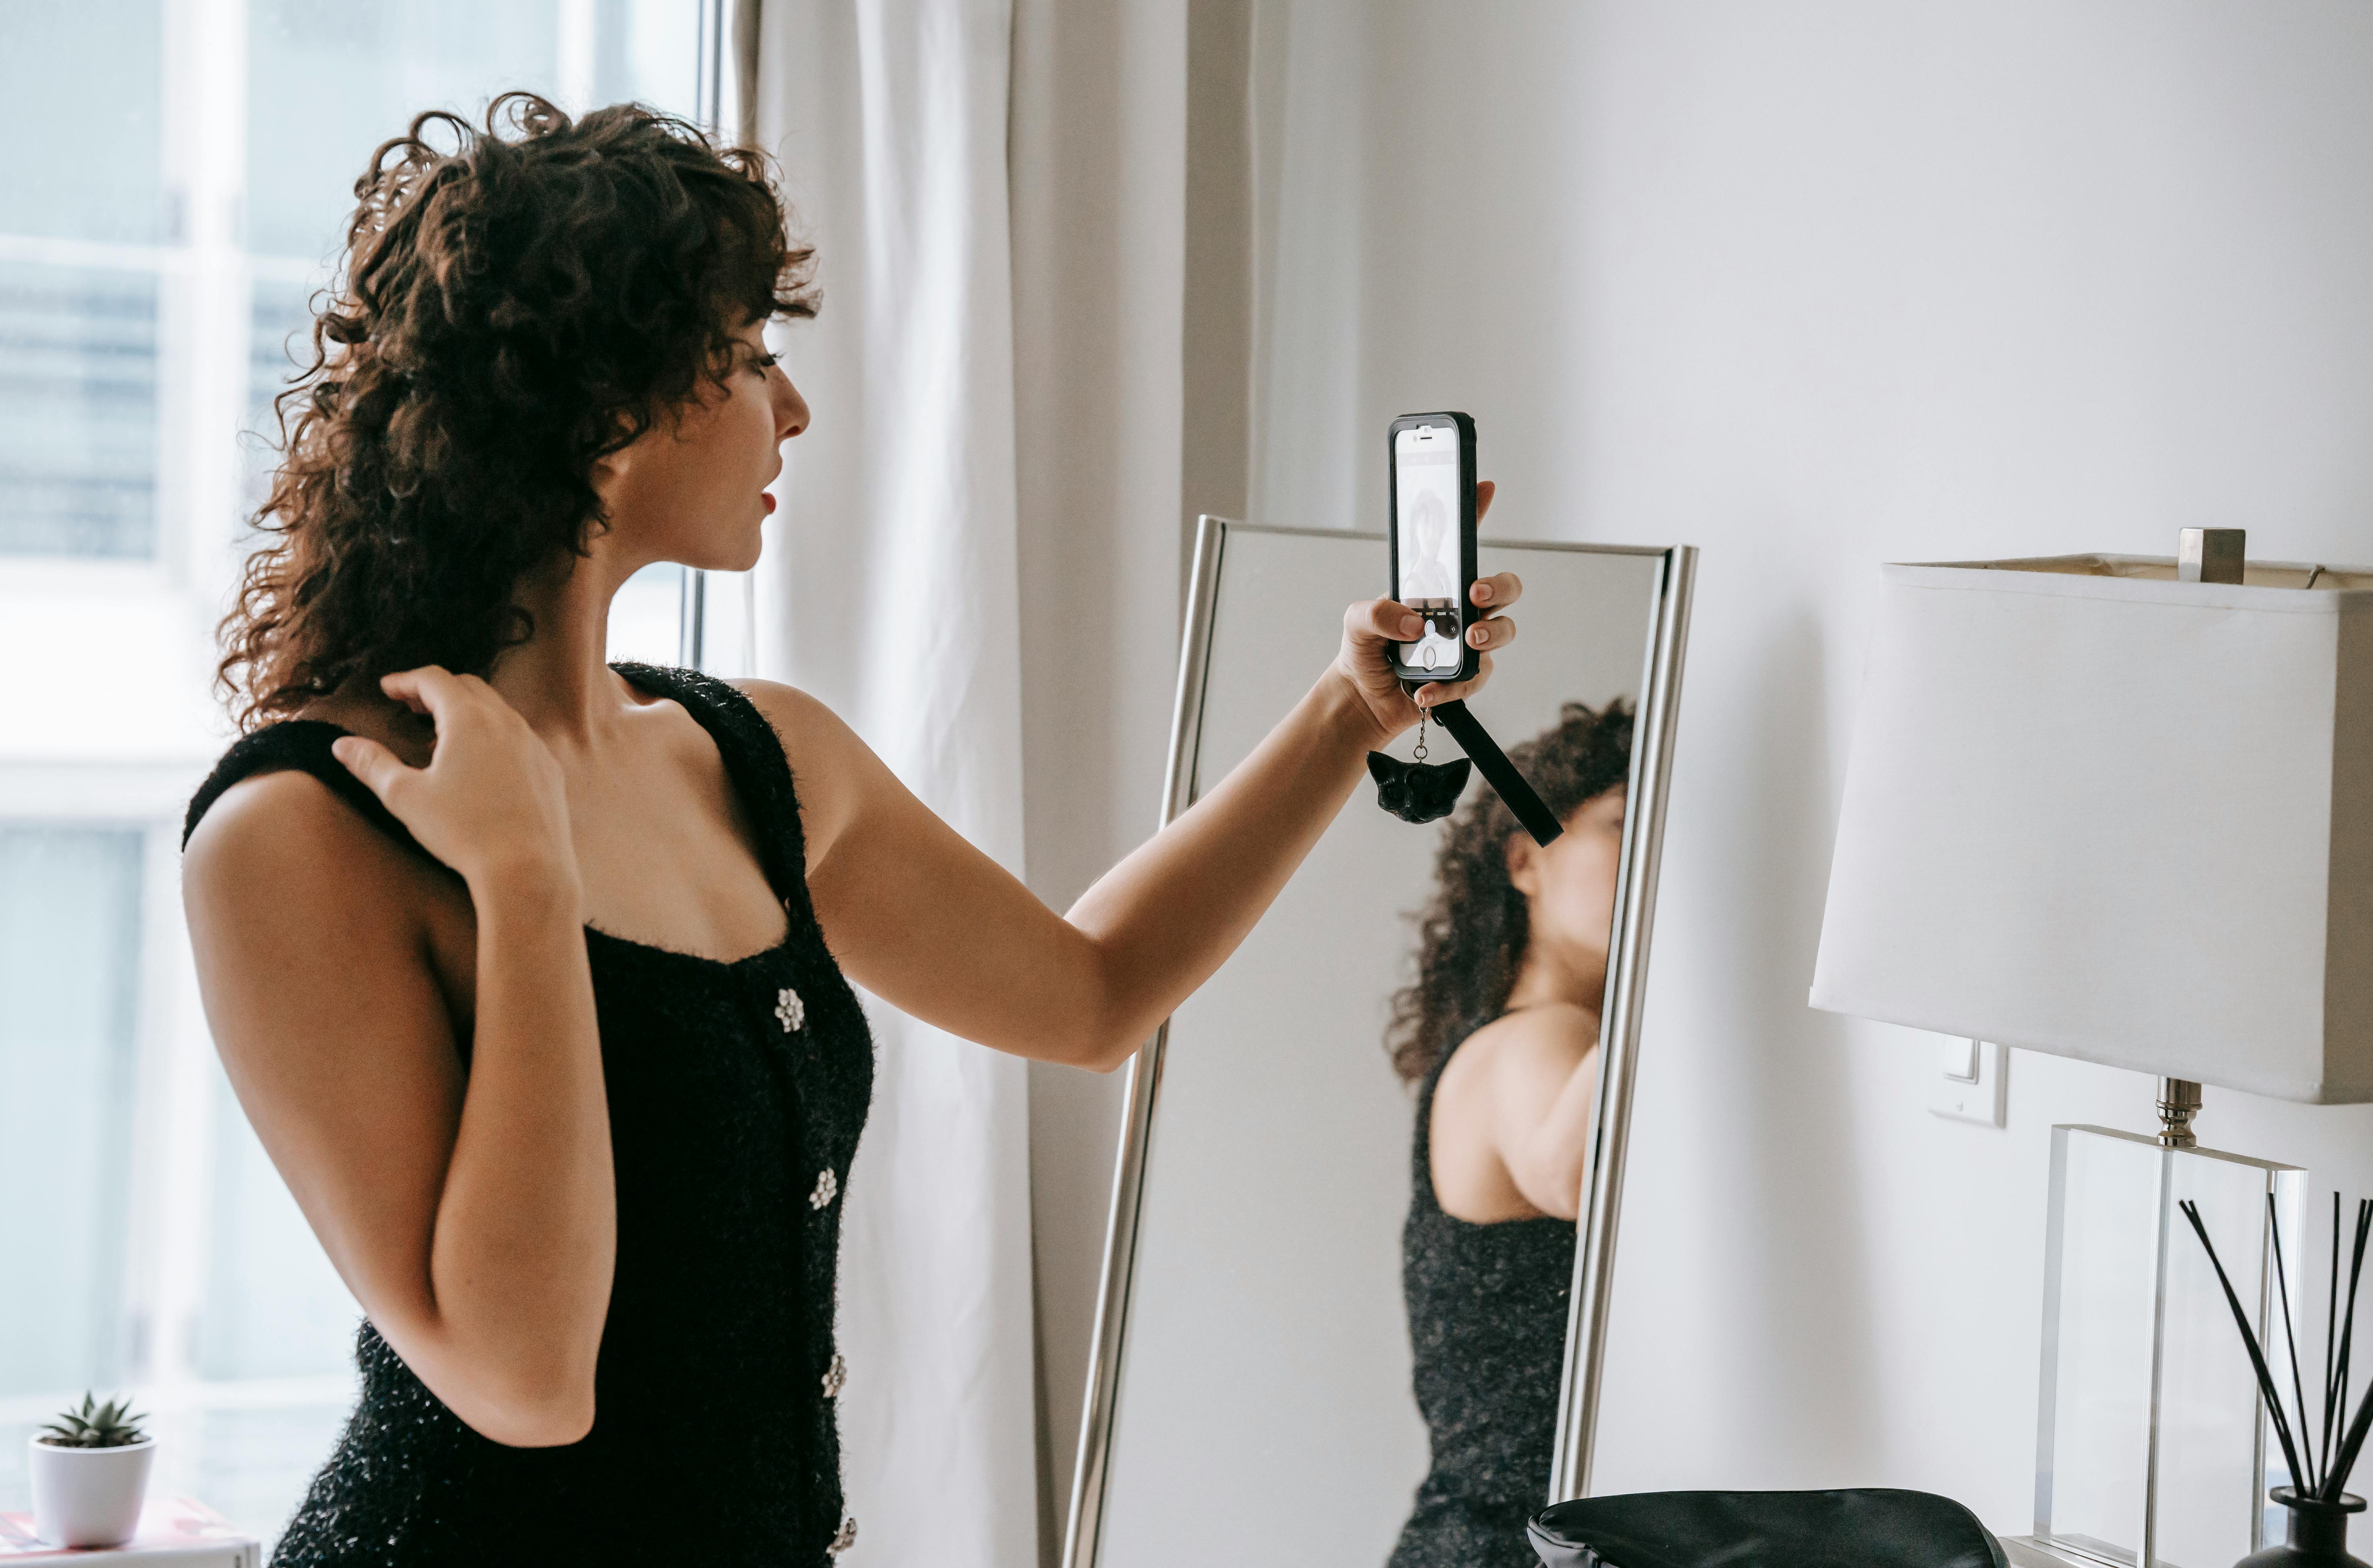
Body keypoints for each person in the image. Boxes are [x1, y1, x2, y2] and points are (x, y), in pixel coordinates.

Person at [175, 96, 1520, 1566]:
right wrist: (519, 874)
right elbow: (526, 1380)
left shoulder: (757, 754)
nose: (794, 410)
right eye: (752, 360)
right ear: (608, 416)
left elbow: (1091, 995)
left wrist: (1343, 710)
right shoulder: (300, 828)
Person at [1382, 700, 1638, 1568]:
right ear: (1526, 860)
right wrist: (1669, 944)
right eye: (1621, 823)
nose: (1653, 858)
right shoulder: (1533, 1041)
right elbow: (1572, 1175)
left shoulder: (1547, 1038)